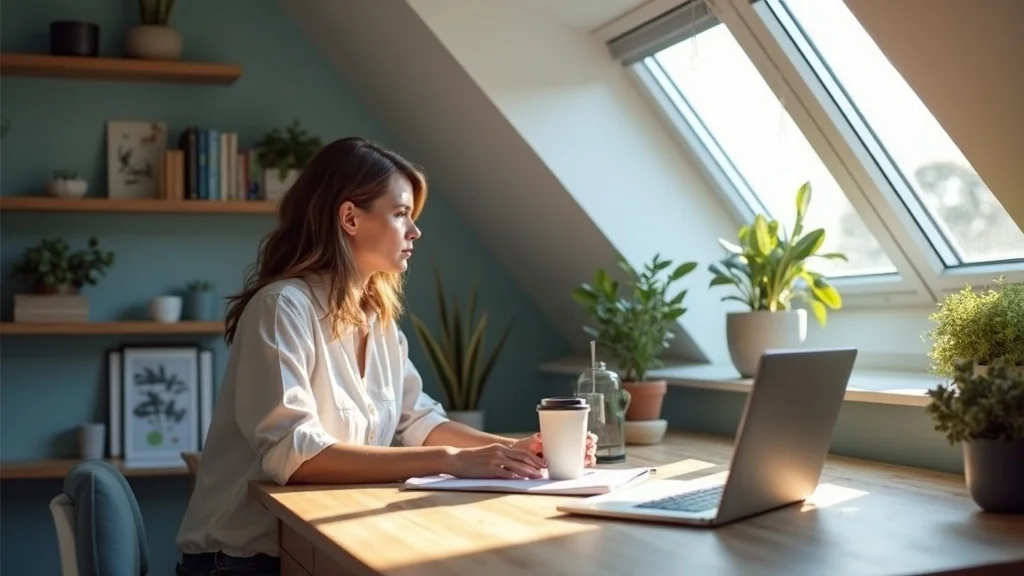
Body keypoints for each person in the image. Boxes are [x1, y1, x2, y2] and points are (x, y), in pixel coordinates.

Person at [174, 137, 596, 576]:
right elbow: (296, 456)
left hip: (312, 543)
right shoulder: (282, 307)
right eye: (400, 214)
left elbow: (419, 422)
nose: (415, 231)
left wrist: (517, 449)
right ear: (350, 218)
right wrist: (451, 460)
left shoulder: (376, 319)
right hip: (238, 564)